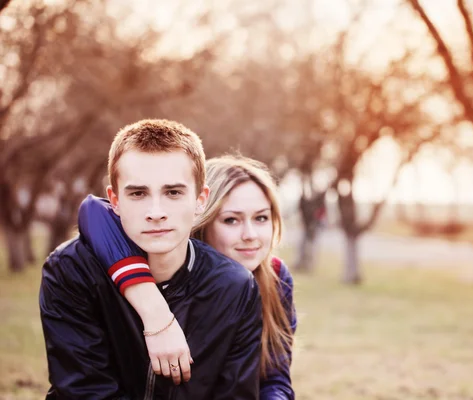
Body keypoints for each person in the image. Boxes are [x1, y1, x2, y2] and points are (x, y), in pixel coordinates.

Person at [39, 119, 263, 399]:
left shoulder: (235, 287)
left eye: (173, 192)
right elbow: (85, 391)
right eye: (138, 193)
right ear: (115, 200)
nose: (156, 212)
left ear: (200, 199)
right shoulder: (71, 270)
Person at [78, 155, 297, 399]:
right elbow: (93, 210)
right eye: (231, 220)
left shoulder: (276, 276)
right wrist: (152, 307)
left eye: (261, 218)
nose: (250, 234)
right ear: (202, 217)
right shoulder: (164, 268)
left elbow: (275, 376)